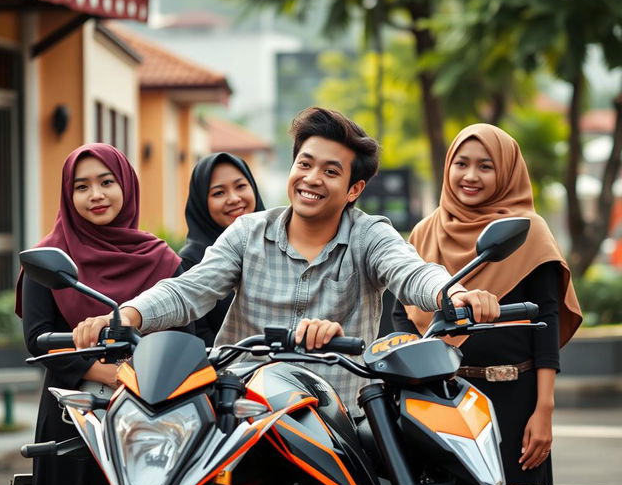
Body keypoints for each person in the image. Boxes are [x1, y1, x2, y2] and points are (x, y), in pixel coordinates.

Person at [73, 107, 500, 416]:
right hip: (243, 413)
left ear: (354, 189)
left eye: (331, 172)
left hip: (338, 419)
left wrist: (454, 294)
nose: (312, 178)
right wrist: (126, 315)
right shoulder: (247, 233)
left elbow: (411, 271)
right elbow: (189, 291)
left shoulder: (370, 235)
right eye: (305, 164)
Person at [393, 123, 582, 485]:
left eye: (485, 166)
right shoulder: (423, 234)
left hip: (515, 403)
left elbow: (545, 321)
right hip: (442, 403)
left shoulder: (528, 232)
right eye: (461, 164)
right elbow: (398, 316)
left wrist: (544, 409)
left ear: (508, 172)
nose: (470, 176)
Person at [16, 144, 183, 485]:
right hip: (72, 419)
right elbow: (39, 339)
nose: (95, 194)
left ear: (126, 186)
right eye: (81, 186)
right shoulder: (48, 257)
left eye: (106, 182)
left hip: (150, 419)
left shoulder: (163, 262)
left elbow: (184, 332)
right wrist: (110, 372)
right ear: (67, 195)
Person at [179, 152, 265, 345]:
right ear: (202, 202)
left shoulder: (278, 245)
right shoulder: (192, 261)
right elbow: (198, 335)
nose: (234, 198)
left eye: (241, 186)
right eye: (219, 193)